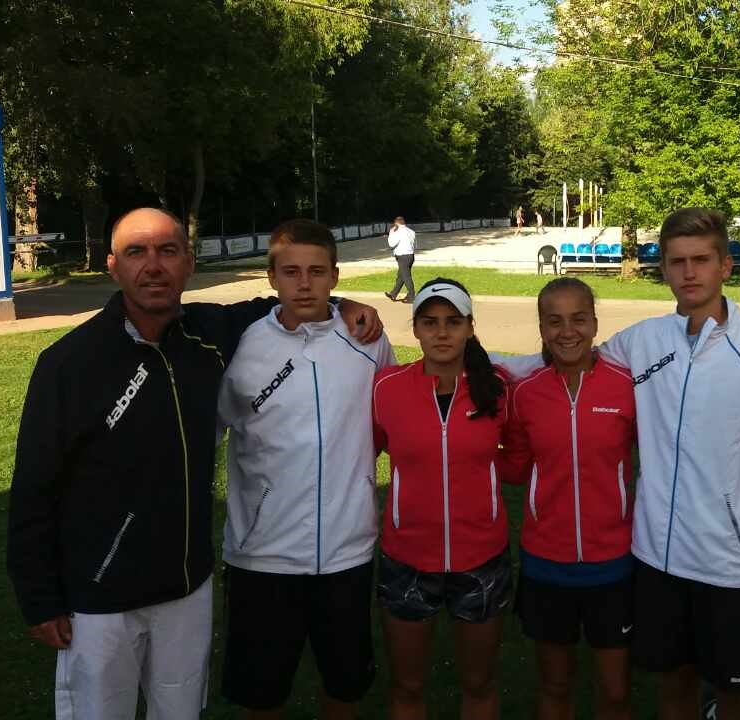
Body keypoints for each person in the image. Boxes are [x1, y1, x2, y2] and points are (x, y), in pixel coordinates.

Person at [7, 207, 382, 720]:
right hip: (99, 592)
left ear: (188, 263)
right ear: (113, 266)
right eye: (136, 252)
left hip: (185, 586)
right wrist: (39, 596)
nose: (153, 266)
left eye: (168, 251)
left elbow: (289, 301)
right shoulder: (68, 363)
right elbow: (34, 487)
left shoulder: (210, 334)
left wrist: (343, 303)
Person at [498, 208, 740, 720]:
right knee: (674, 687)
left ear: (726, 265)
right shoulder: (644, 341)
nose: (689, 272)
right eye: (677, 262)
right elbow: (571, 357)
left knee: (734, 694)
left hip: (731, 563)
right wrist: (471, 363)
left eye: (701, 260)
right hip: (657, 560)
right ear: (663, 269)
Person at [216, 219, 395, 719]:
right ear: (271, 276)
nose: (304, 283)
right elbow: (209, 431)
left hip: (346, 553)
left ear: (335, 277)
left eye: (317, 272)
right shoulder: (242, 346)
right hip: (261, 556)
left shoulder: (367, 339)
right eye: (291, 272)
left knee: (344, 689)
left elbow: (388, 422)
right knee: (261, 696)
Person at [371, 278, 512, 720]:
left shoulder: (498, 387)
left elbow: (518, 455)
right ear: (415, 329)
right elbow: (365, 452)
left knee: (479, 683)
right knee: (407, 686)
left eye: (453, 322)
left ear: (470, 327)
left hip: (482, 559)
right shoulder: (386, 387)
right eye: (430, 322)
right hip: (407, 559)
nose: (442, 332)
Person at [500, 277, 637, 720]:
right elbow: (514, 467)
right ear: (541, 328)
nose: (567, 331)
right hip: (546, 564)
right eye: (554, 321)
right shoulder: (525, 392)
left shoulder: (626, 387)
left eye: (578, 319)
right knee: (555, 686)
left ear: (595, 324)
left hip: (613, 563)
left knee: (615, 690)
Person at [386, 216, 417, 303]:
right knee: (401, 276)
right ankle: (393, 294)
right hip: (410, 256)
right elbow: (415, 245)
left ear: (396, 223)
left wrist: (391, 232)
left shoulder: (398, 232)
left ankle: (412, 296)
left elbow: (391, 244)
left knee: (406, 277)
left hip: (402, 257)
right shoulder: (411, 231)